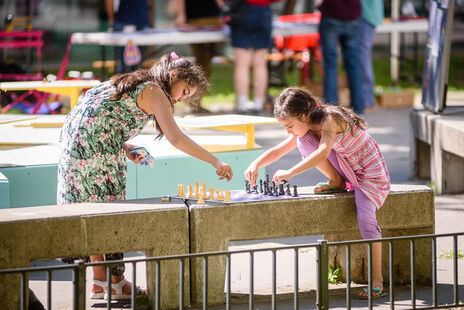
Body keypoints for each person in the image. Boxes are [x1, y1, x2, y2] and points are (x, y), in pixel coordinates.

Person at [57, 53, 233, 300]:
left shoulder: (133, 79)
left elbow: (100, 114)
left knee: (91, 210)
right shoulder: (155, 91)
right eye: (184, 90)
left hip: (74, 144)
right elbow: (177, 138)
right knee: (106, 212)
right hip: (93, 148)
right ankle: (115, 282)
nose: (181, 99)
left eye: (187, 97)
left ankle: (100, 281)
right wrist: (215, 160)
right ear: (173, 76)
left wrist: (125, 148)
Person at [244, 87, 390, 299]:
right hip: (349, 168)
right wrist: (256, 163)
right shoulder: (307, 127)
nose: (288, 131)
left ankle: (377, 282)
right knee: (304, 141)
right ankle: (337, 181)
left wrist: (290, 172)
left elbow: (324, 152)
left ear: (304, 115)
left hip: (370, 174)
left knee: (366, 219)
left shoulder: (329, 119)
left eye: (290, 126)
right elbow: (279, 149)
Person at [229, 0, 281, 114]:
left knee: (242, 64)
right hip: (264, 11)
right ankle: (258, 105)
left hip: (242, 10)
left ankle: (242, 105)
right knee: (260, 63)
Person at [175, 0, 223, 112]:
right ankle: (193, 100)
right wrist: (181, 15)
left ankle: (194, 100)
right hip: (196, 19)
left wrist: (222, 12)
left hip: (213, 18)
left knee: (206, 62)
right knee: (203, 63)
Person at [318, 0, 364, 114]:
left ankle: (331, 108)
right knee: (353, 64)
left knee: (330, 65)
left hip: (331, 15)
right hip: (352, 17)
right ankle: (358, 106)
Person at [105, 0, 150, 73]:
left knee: (125, 68)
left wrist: (111, 19)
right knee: (137, 67)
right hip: (138, 20)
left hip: (125, 20)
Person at [358, 0, 384, 111]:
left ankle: (367, 99)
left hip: (365, 15)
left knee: (362, 56)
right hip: (368, 14)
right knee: (362, 56)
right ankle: (365, 98)